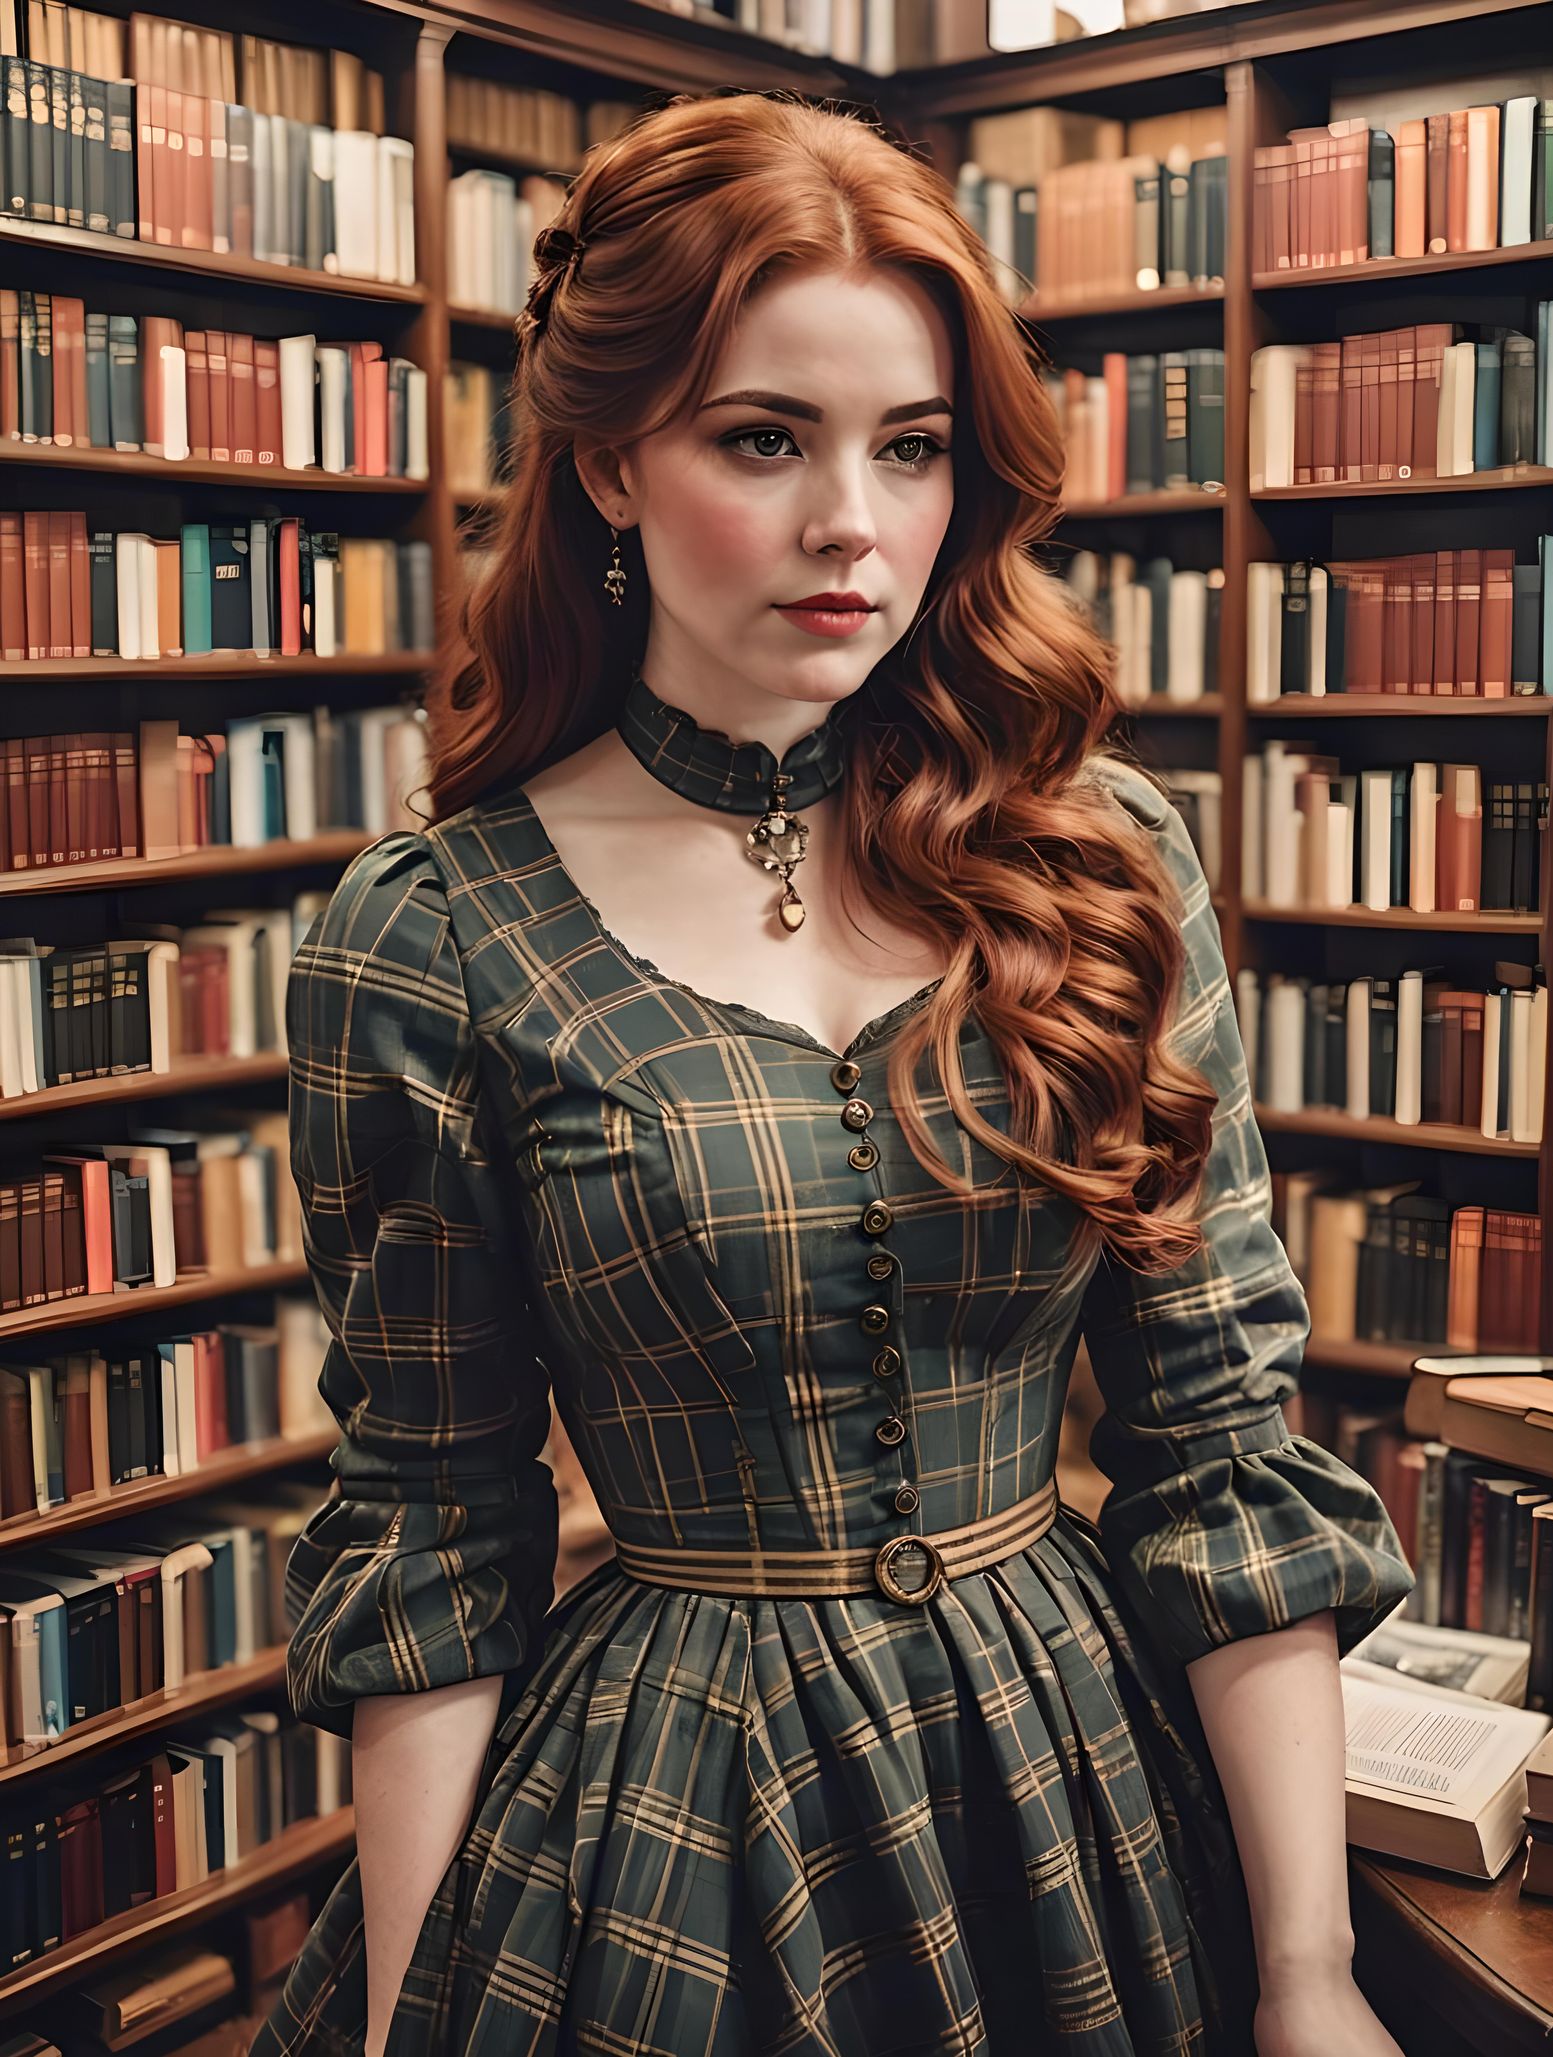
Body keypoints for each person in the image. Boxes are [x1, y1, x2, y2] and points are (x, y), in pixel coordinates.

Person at [251, 88, 1414, 2057]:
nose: (848, 529)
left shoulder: (1099, 859)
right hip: (663, 1815)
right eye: (760, 440)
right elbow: (432, 1529)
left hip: (1065, 1782)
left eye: (909, 449)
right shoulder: (431, 929)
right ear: (610, 462)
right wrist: (402, 2022)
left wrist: (1306, 1976)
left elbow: (1218, 1450)